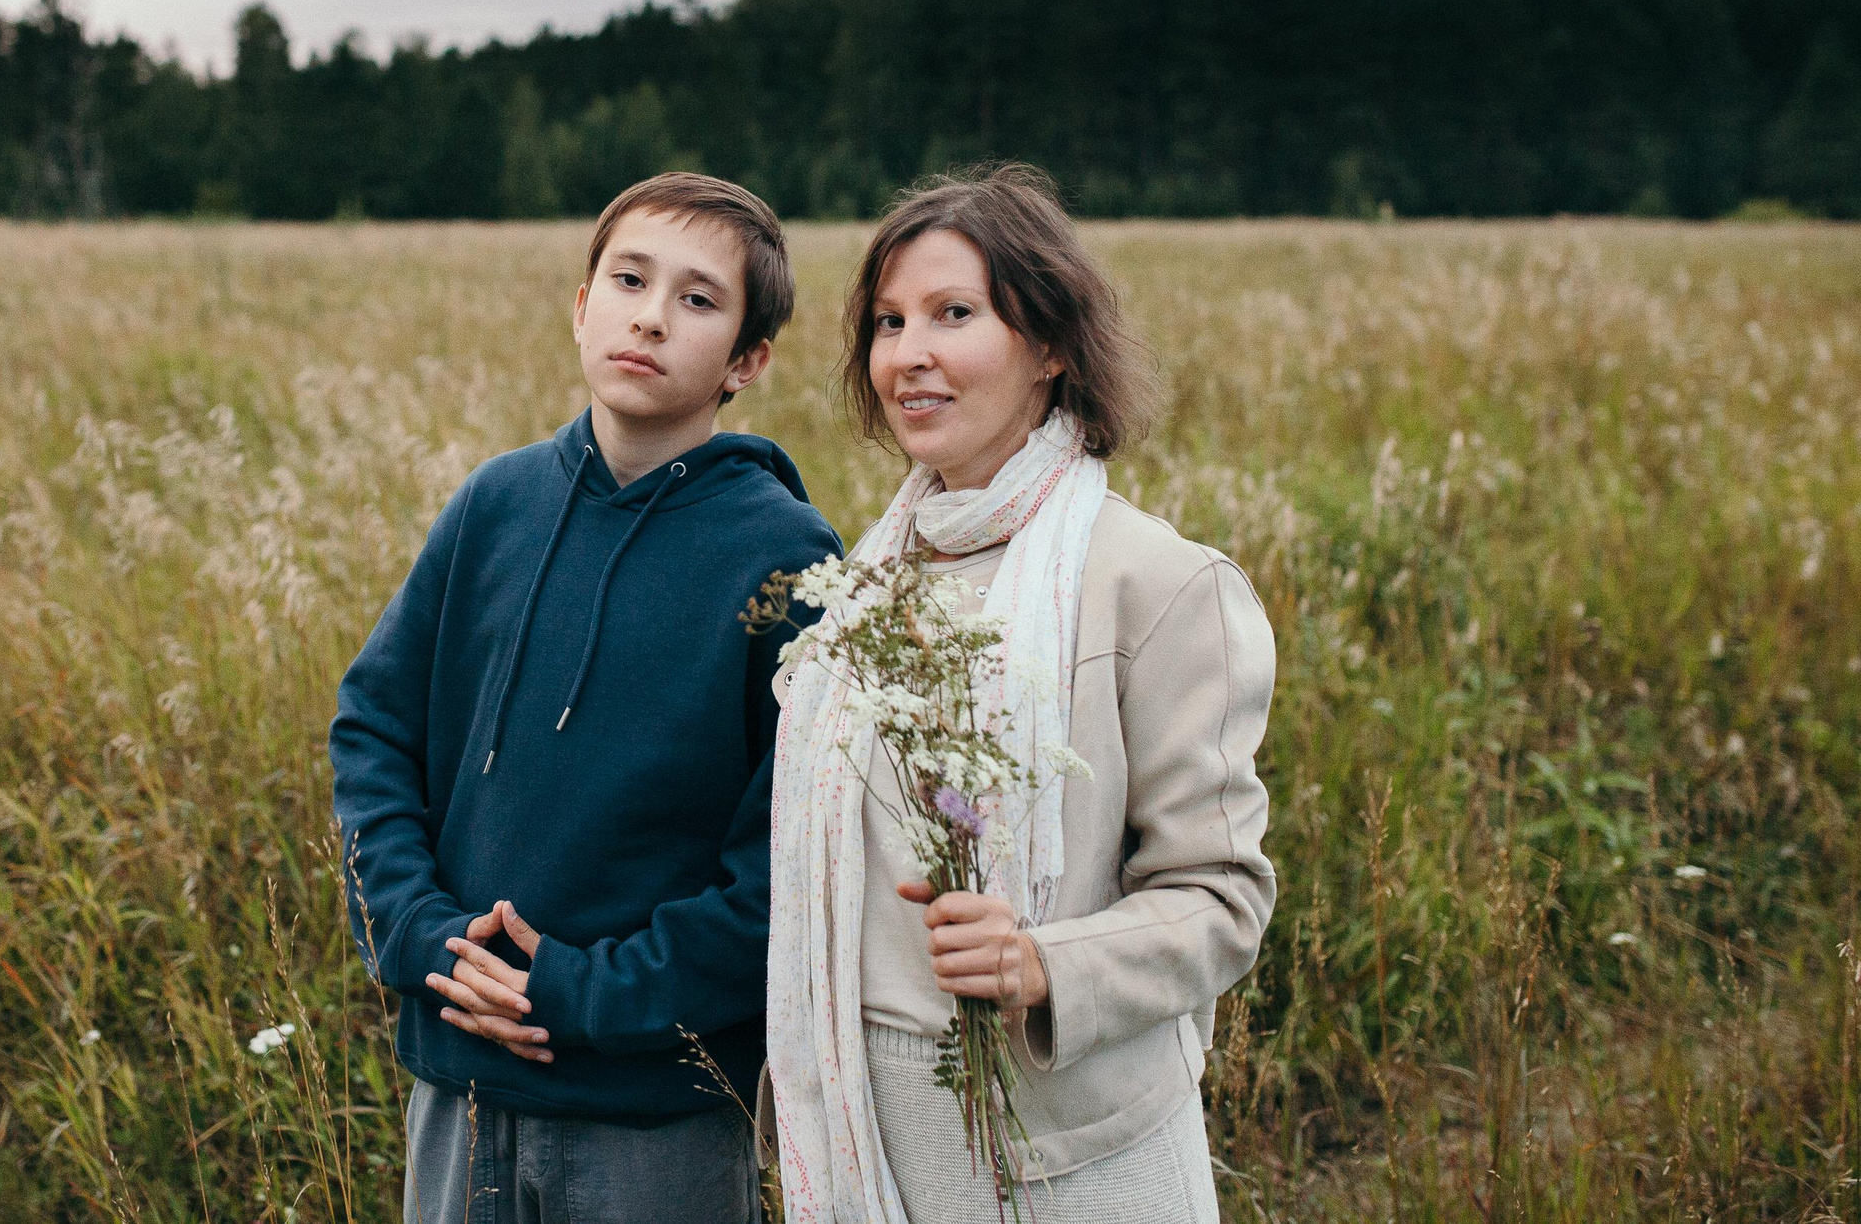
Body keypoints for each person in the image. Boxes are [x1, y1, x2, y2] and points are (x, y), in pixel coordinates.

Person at [769, 163, 1276, 1224]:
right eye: (888, 320)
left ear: (1050, 344)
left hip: (1078, 1151)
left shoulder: (1161, 584)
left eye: (954, 313)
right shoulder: (864, 589)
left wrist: (1043, 960)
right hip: (879, 1127)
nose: (909, 353)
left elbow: (1222, 902)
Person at [332, 172, 842, 1224]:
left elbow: (790, 860)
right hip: (460, 1086)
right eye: (627, 278)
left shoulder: (785, 559)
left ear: (747, 360)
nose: (650, 315)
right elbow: (372, 728)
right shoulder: (494, 503)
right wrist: (427, 937)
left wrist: (579, 989)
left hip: (653, 1113)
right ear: (580, 304)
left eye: (699, 299)